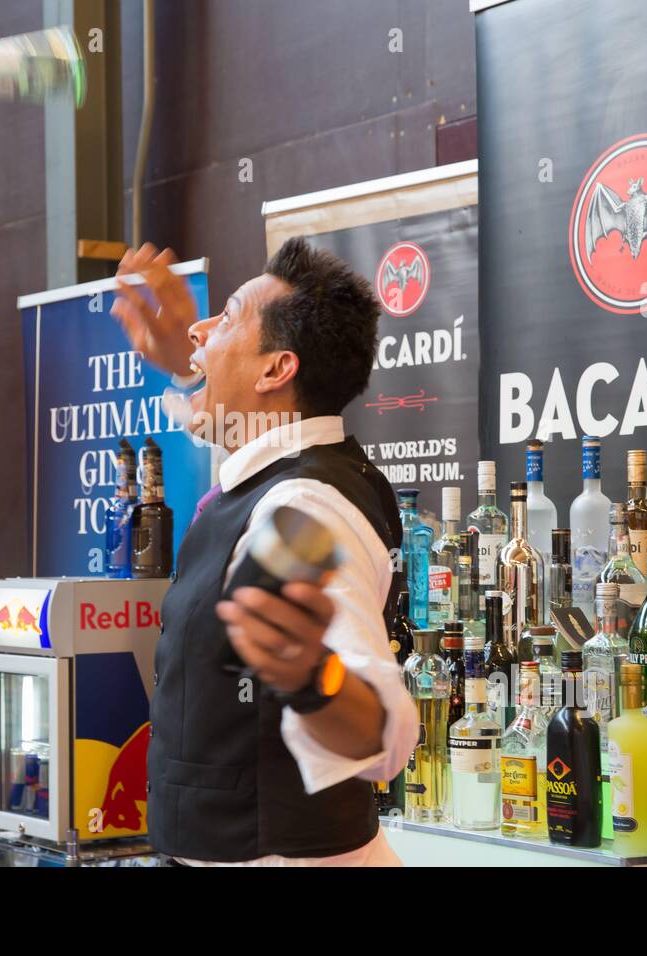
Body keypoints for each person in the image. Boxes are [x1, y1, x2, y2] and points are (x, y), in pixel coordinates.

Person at [111, 238, 418, 865]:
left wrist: (314, 676)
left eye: (223, 316)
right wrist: (196, 361)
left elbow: (382, 731)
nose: (199, 330)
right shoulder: (275, 473)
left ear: (277, 370)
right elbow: (230, 423)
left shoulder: (305, 507)